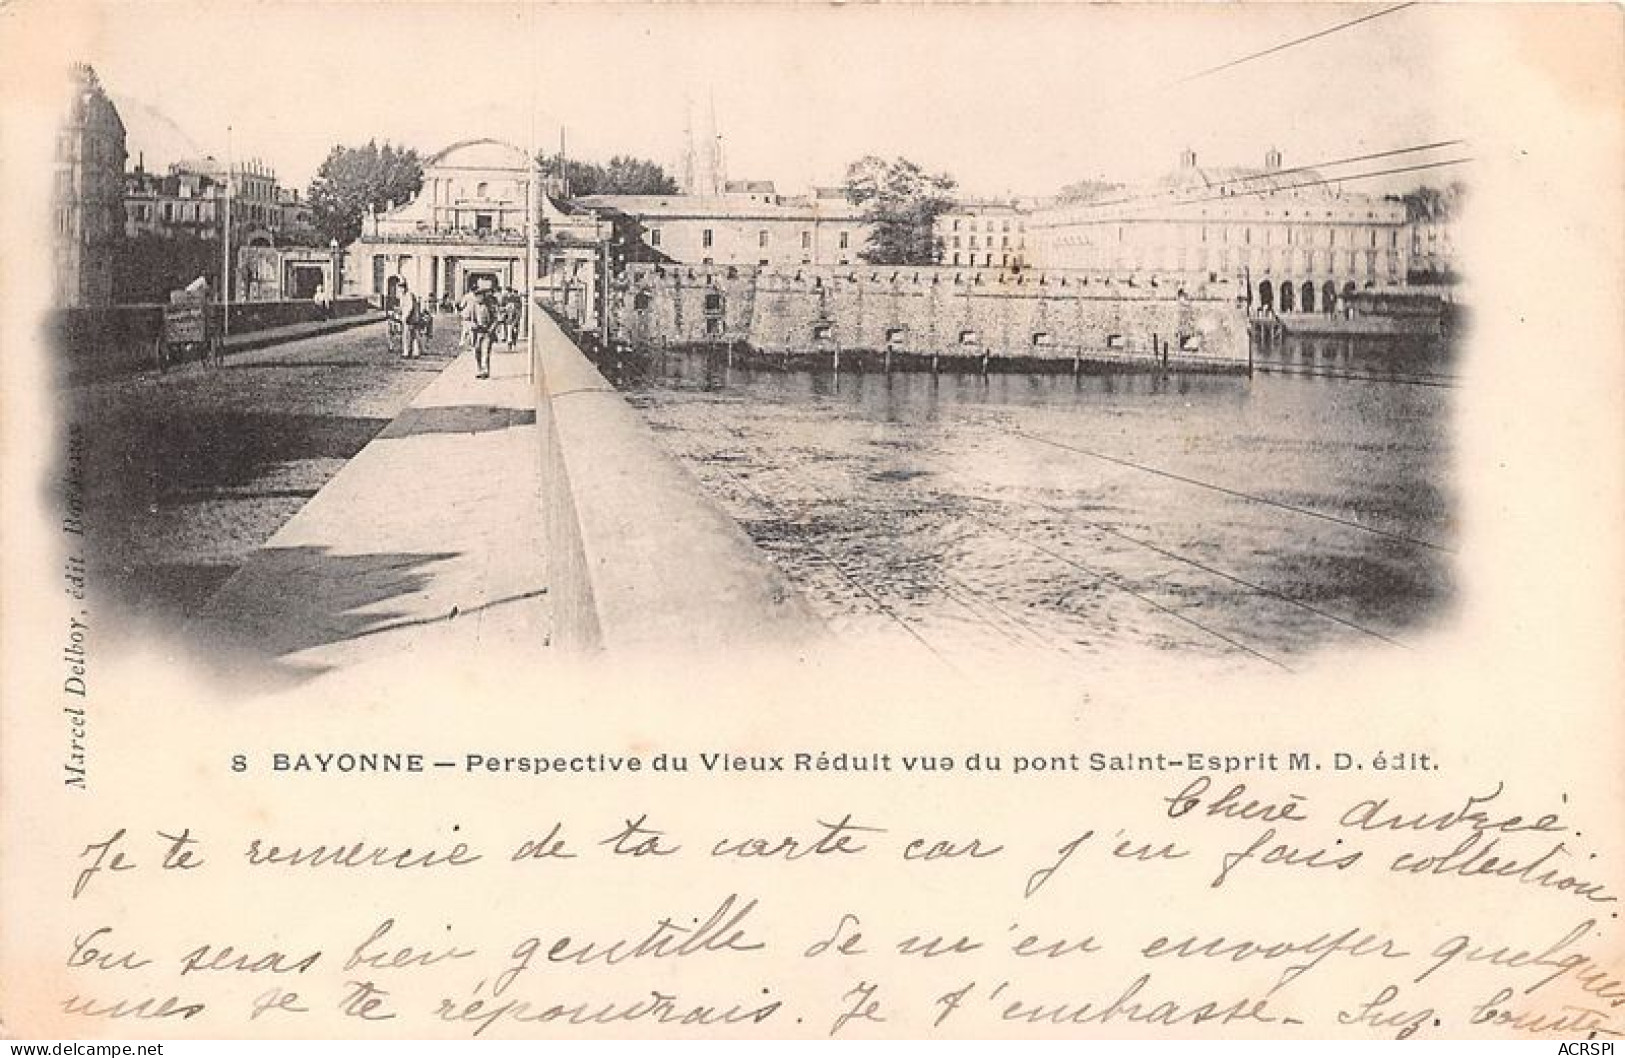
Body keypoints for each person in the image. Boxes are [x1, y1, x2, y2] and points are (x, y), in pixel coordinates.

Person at [395, 279, 422, 360]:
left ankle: (406, 352)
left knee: (407, 336)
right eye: (399, 288)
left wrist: (404, 317)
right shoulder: (404, 296)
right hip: (412, 318)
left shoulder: (408, 295)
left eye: (401, 288)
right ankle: (415, 352)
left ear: (404, 288)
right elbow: (403, 307)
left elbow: (409, 308)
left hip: (410, 319)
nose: (400, 290)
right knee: (413, 336)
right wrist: (398, 310)